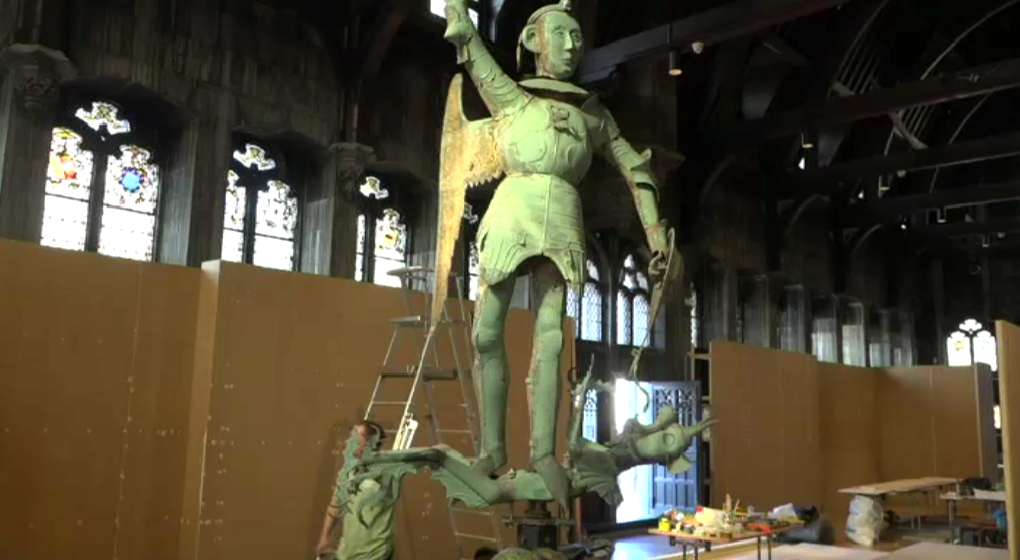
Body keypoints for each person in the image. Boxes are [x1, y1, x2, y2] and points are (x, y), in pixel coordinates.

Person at [437, 0, 673, 511]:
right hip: (511, 211)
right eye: (560, 35)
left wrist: (656, 235)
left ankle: (543, 451)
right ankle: (492, 449)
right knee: (485, 333)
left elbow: (635, 169)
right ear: (532, 41)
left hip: (564, 217)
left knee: (551, 338)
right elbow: (476, 54)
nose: (571, 46)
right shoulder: (513, 99)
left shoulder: (594, 115)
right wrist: (460, 19)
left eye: (577, 38)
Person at [316, 420, 395, 560]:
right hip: (347, 555)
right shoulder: (347, 473)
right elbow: (335, 506)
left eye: (355, 437)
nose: (348, 441)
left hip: (375, 555)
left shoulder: (385, 470)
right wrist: (324, 538)